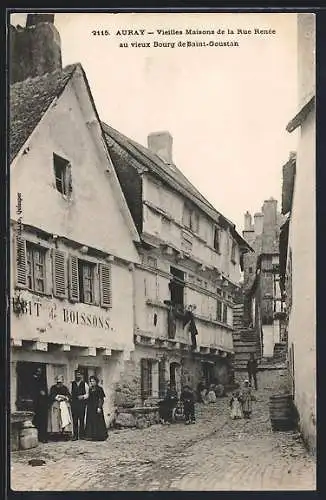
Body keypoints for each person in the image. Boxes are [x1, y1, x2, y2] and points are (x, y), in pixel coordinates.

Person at [48, 375, 73, 440]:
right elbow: (51, 396)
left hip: (64, 404)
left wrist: (65, 397)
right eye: (58, 382)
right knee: (56, 419)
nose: (60, 383)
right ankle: (55, 434)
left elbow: (69, 396)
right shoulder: (53, 388)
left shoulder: (65, 388)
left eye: (61, 381)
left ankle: (64, 434)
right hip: (56, 405)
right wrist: (57, 397)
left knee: (64, 419)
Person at [85, 376, 108, 441]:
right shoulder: (90, 389)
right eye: (91, 381)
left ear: (96, 381)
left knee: (98, 421)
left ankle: (99, 436)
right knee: (91, 421)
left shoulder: (100, 389)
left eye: (93, 381)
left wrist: (99, 407)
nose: (92, 382)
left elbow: (101, 399)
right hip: (91, 407)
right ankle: (92, 436)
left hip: (96, 406)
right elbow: (89, 398)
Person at [31, 367, 48, 443]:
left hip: (43, 403)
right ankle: (36, 437)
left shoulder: (42, 380)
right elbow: (32, 391)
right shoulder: (32, 380)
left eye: (40, 371)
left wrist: (44, 393)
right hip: (36, 403)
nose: (39, 373)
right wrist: (39, 392)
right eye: (38, 371)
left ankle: (43, 437)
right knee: (36, 420)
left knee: (43, 421)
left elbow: (45, 391)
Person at [71, 370, 89, 440]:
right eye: (76, 374)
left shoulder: (84, 384)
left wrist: (83, 397)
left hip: (82, 404)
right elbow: (70, 393)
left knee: (81, 419)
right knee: (75, 420)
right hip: (74, 404)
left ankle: (81, 435)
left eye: (79, 374)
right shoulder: (72, 384)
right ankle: (75, 435)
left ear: (81, 376)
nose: (78, 376)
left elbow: (88, 394)